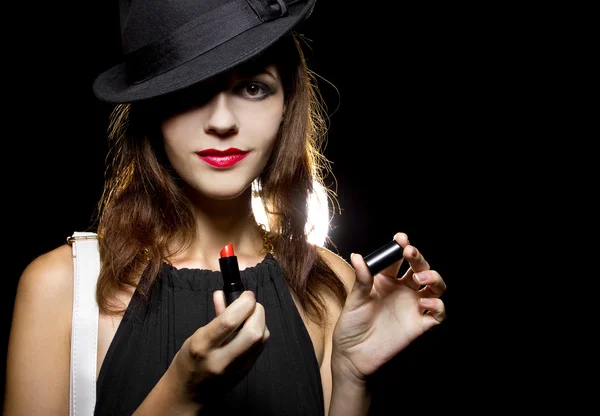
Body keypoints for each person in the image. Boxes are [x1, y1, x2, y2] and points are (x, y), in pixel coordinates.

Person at [4, 0, 447, 415]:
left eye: (253, 88)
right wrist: (178, 394)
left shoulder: (333, 288)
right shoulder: (61, 287)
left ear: (286, 104)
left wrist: (352, 377)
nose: (221, 121)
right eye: (192, 89)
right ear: (151, 108)